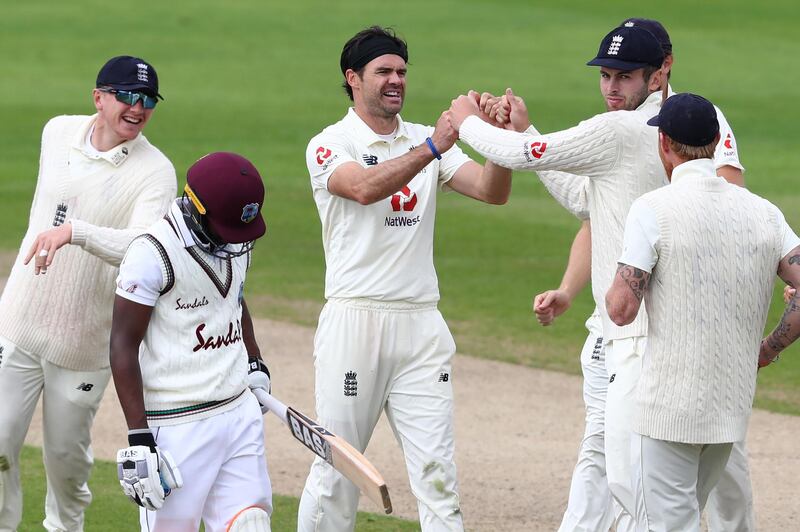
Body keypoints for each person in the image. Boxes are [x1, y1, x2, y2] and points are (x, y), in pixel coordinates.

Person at [525, 18, 752, 531]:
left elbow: (730, 207)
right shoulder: (619, 129)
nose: (611, 87)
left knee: (724, 463)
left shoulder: (698, 121)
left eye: (623, 76)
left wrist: (494, 132)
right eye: (605, 75)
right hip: (619, 329)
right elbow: (598, 215)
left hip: (685, 331)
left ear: (661, 70)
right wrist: (568, 287)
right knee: (605, 450)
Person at [298, 26, 516, 532]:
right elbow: (363, 188)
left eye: (401, 72)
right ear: (353, 79)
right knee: (338, 469)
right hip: (356, 320)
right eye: (383, 72)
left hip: (420, 324)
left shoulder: (421, 138)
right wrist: (435, 145)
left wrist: (497, 142)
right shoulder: (330, 144)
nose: (396, 81)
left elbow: (491, 191)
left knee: (438, 474)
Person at [605, 92, 800, 531]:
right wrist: (768, 348)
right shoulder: (765, 214)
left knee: (667, 524)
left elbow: (620, 310)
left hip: (668, 407)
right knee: (686, 516)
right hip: (729, 407)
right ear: (717, 141)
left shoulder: (653, 208)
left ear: (665, 144)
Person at [0, 55, 176, 532]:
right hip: (18, 321)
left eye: (147, 101)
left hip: (83, 344)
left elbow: (144, 247)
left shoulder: (156, 172)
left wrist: (76, 231)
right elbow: (50, 205)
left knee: (64, 460)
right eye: (127, 96)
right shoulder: (56, 131)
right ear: (98, 97)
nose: (138, 108)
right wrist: (63, 225)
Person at [110, 151, 273, 531]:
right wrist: (139, 436)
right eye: (228, 230)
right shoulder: (151, 255)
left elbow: (234, 299)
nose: (237, 243)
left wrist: (254, 361)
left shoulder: (233, 242)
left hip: (239, 411)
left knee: (250, 523)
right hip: (178, 425)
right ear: (196, 210)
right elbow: (122, 345)